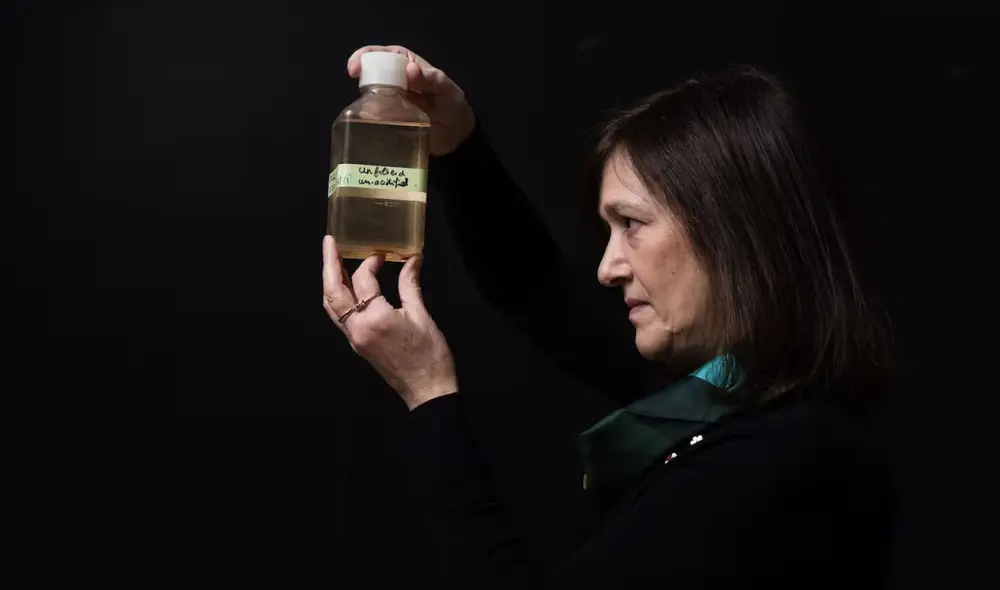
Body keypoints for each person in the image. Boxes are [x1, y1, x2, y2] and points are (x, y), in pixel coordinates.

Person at [321, 45, 896, 589]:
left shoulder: (772, 466)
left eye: (633, 225)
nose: (607, 266)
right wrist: (457, 141)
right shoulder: (726, 393)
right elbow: (538, 290)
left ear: (735, 235)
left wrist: (428, 394)